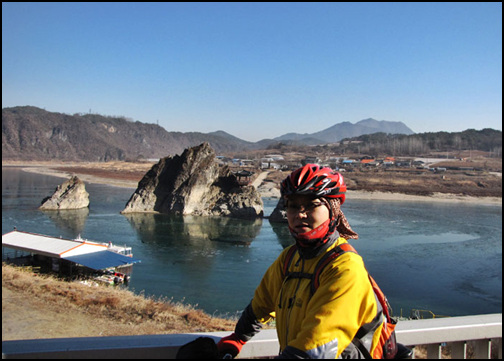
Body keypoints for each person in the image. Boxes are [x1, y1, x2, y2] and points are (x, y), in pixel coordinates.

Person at [217, 164, 385, 359]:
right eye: (293, 206)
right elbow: (262, 304)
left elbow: (315, 348)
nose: (300, 214)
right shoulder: (290, 258)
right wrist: (238, 338)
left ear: (333, 209)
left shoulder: (345, 268)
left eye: (312, 204)